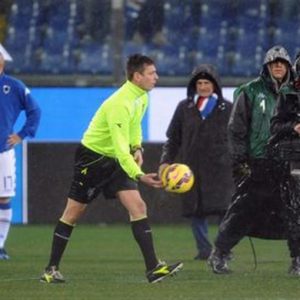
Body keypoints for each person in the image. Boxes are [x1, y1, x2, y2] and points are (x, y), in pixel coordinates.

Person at [40, 54, 183, 284]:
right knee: (73, 213)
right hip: (93, 160)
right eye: (151, 73)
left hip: (116, 160)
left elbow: (135, 125)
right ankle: (50, 269)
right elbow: (118, 148)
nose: (156, 77)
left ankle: (153, 268)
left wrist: (137, 147)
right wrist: (139, 175)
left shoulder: (141, 96)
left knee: (138, 205)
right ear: (137, 76)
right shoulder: (120, 103)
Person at [208, 45, 299, 275]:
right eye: (273, 62)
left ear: (289, 66)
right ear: (266, 66)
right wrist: (240, 161)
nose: (278, 66)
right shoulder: (249, 91)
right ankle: (220, 253)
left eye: (282, 62)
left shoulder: (293, 93)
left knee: (294, 211)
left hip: (288, 161)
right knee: (243, 209)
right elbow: (236, 129)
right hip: (258, 160)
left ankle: (297, 259)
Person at [159, 64, 234, 260]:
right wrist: (165, 161)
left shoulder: (228, 108)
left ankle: (223, 250)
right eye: (199, 83)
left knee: (224, 212)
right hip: (191, 170)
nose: (203, 86)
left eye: (207, 82)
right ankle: (204, 251)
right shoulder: (185, 107)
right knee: (196, 212)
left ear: (215, 85)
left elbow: (238, 137)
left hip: (221, 170)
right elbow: (173, 139)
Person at [0, 46, 41, 260]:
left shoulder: (13, 86)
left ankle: (0, 244)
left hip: (3, 151)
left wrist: (21, 134)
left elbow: (35, 111)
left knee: (4, 196)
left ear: (2, 62)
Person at [269, 52, 300, 275]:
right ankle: (297, 258)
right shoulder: (287, 94)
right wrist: (294, 127)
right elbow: (275, 127)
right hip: (293, 158)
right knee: (295, 210)